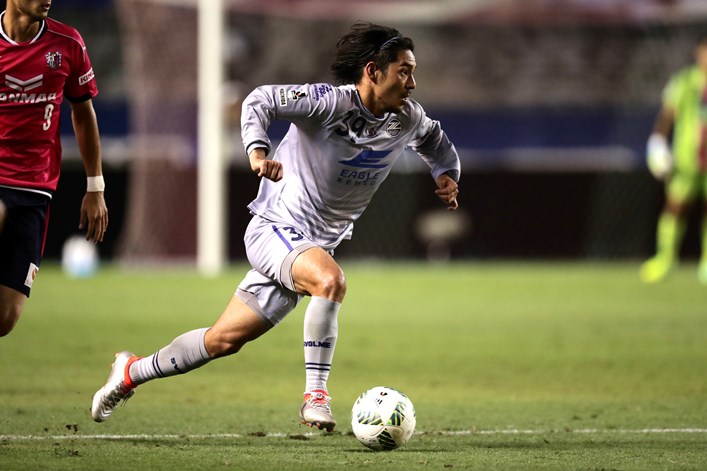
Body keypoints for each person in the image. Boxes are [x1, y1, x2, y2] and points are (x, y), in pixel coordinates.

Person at [91, 22, 460, 431]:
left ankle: (130, 372)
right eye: (404, 72)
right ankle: (315, 397)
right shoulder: (328, 103)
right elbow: (260, 99)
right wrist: (257, 150)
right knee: (331, 282)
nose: (412, 83)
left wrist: (446, 173)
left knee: (222, 340)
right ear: (373, 72)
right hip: (275, 229)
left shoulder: (407, 118)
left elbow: (435, 141)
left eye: (412, 72)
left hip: (313, 246)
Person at [0, 0, 108, 337]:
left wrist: (95, 186)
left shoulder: (68, 44)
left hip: (34, 189)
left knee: (5, 319)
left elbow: (83, 113)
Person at [640, 34, 707, 284]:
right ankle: (665, 258)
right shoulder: (685, 81)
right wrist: (656, 143)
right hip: (687, 160)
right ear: (698, 53)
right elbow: (667, 115)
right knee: (675, 206)